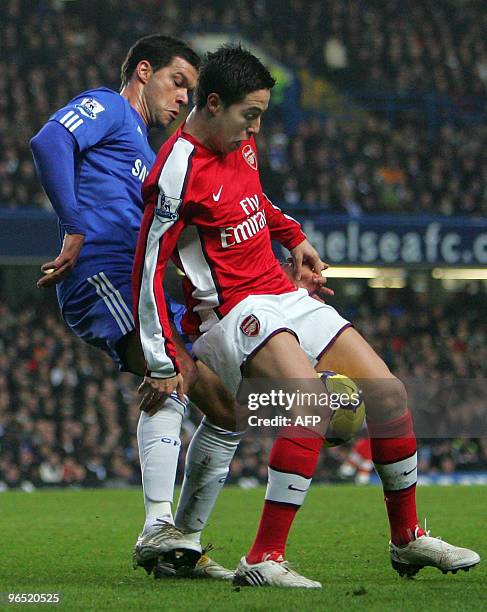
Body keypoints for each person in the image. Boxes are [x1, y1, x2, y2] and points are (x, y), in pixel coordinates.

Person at [133, 44, 480, 588]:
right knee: (311, 403)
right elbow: (148, 263)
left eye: (261, 118)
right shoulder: (176, 170)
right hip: (230, 313)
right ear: (215, 103)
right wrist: (160, 355)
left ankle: (407, 539)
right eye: (250, 116)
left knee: (388, 393)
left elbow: (255, 202)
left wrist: (293, 236)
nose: (254, 130)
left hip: (279, 290)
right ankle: (264, 558)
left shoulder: (238, 145)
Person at [30, 34, 242, 580]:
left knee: (224, 409)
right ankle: (156, 526)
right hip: (100, 271)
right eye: (178, 83)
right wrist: (75, 227)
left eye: (192, 93)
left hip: (136, 284)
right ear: (143, 72)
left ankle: (182, 544)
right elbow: (49, 142)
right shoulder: (108, 106)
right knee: (168, 371)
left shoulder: (147, 155)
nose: (182, 101)